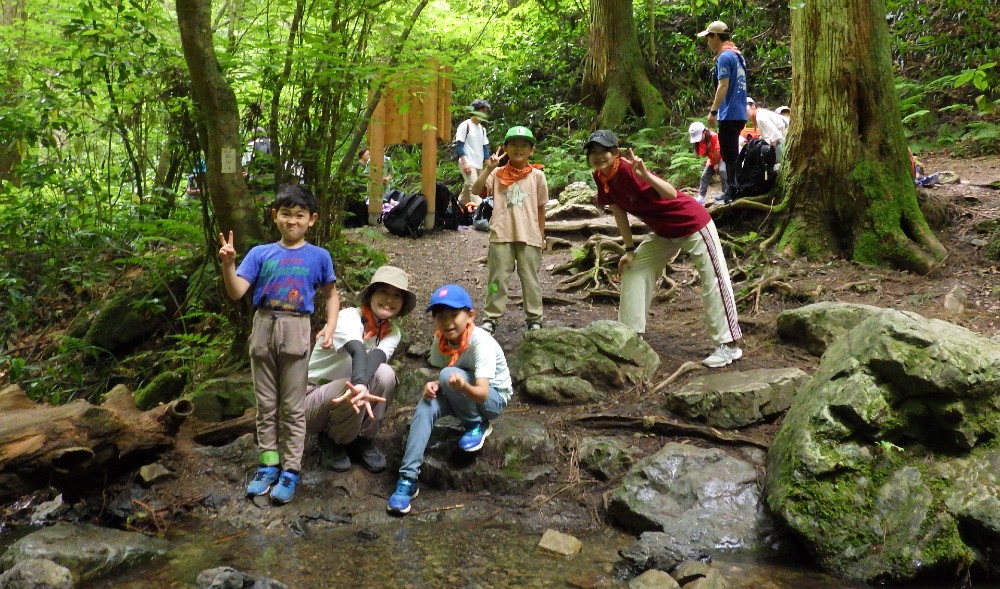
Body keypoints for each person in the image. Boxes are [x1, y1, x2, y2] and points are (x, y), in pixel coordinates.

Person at [218, 184, 339, 504]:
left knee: (293, 407)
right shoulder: (260, 253)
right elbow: (236, 292)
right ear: (275, 217)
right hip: (263, 325)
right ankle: (268, 465)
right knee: (266, 404)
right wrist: (228, 264)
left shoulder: (319, 256)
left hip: (297, 328)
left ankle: (291, 469)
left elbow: (331, 295)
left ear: (311, 220)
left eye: (299, 215)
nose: (292, 221)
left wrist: (330, 326)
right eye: (286, 214)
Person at [584, 130, 743, 368]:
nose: (598, 157)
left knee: (714, 278)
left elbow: (670, 193)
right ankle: (629, 335)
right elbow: (618, 210)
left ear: (615, 152)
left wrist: (645, 175)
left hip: (691, 222)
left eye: (603, 151)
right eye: (593, 153)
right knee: (635, 266)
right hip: (664, 230)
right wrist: (628, 249)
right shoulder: (601, 177)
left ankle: (729, 345)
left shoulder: (629, 169)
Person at [387, 283, 512, 515]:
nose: (448, 323)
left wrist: (459, 384)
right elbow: (448, 370)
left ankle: (476, 425)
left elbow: (483, 392)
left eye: (454, 315)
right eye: (441, 317)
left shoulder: (480, 342)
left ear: (470, 315)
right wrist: (435, 384)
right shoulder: (441, 341)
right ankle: (408, 479)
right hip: (463, 391)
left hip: (492, 400)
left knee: (448, 376)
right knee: (426, 404)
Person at [303, 265, 417, 473]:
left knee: (386, 374)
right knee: (353, 386)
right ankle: (332, 441)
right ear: (370, 295)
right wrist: (361, 386)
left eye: (397, 295)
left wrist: (361, 385)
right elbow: (358, 351)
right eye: (383, 291)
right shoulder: (347, 317)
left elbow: (375, 358)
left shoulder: (392, 332)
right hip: (311, 400)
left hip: (348, 393)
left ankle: (363, 439)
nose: (389, 300)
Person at [471, 126, 548, 334]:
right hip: (501, 234)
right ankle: (491, 317)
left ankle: (534, 317)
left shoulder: (538, 176)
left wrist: (542, 236)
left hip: (529, 236)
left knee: (530, 279)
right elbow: (476, 191)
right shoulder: (496, 174)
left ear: (532, 150)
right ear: (505, 148)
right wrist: (488, 168)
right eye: (513, 144)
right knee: (497, 279)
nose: (518, 149)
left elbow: (541, 208)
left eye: (524, 145)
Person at [698, 20, 748, 204]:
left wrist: (713, 111)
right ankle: (733, 190)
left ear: (716, 36)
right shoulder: (737, 55)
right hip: (739, 112)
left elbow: (723, 85)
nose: (708, 42)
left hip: (730, 113)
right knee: (731, 155)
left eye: (709, 38)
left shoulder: (725, 57)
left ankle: (732, 193)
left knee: (729, 156)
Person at [455, 99, 492, 206]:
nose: (484, 114)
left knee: (467, 192)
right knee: (475, 190)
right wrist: (464, 163)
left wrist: (489, 164)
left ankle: (456, 209)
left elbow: (484, 148)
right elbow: (459, 145)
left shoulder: (482, 129)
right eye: (482, 111)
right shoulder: (465, 125)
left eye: (485, 112)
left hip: (478, 165)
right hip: (468, 163)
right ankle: (481, 215)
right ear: (475, 110)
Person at [688, 121, 726, 205]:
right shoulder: (699, 142)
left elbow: (716, 151)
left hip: (722, 157)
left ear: (704, 132)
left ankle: (726, 193)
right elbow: (707, 153)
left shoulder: (714, 136)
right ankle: (701, 197)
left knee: (723, 171)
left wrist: (716, 164)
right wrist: (712, 163)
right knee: (704, 175)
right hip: (712, 159)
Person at [746, 97, 790, 162]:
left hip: (785, 139)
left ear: (753, 106)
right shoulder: (761, 114)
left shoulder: (760, 116)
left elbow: (776, 136)